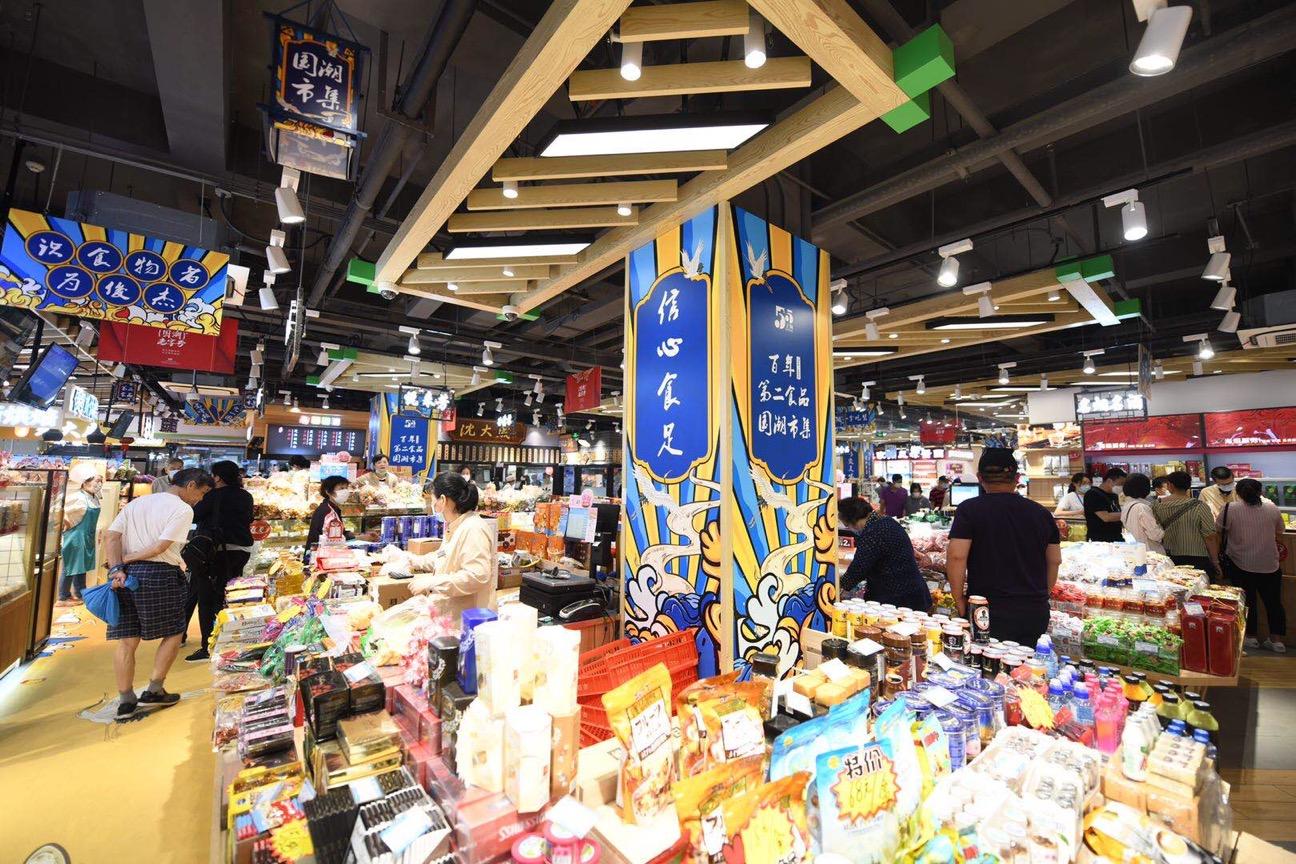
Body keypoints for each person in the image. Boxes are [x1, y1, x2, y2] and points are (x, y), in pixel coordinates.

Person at [103, 468, 213, 721]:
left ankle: (126, 699)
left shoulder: (138, 503)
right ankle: (154, 689)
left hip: (125, 576)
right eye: (202, 493)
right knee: (174, 631)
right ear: (191, 485)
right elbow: (160, 547)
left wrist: (117, 567)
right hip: (159, 573)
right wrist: (126, 559)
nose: (201, 499)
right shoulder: (183, 509)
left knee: (127, 639)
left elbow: (111, 536)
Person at [946, 449, 1061, 644]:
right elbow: (1055, 560)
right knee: (1027, 661)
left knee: (985, 659)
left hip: (986, 608)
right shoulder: (1042, 513)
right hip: (1034, 611)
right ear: (1017, 478)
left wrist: (958, 599)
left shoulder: (969, 510)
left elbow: (957, 556)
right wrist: (1041, 597)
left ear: (980, 478)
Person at [390, 471, 496, 621]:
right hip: (449, 615)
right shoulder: (456, 525)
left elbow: (476, 576)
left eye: (433, 500)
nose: (432, 505)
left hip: (467, 619)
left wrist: (432, 582)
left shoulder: (473, 528)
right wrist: (411, 559)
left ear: (443, 500)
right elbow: (443, 556)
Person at [184, 461, 255, 662]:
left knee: (207, 598)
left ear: (217, 477)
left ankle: (208, 646)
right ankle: (230, 639)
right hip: (241, 551)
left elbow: (194, 517)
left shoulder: (212, 496)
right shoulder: (245, 495)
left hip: (215, 552)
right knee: (230, 595)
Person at [1216, 478, 1286, 653]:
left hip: (1240, 562)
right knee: (1274, 602)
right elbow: (1280, 530)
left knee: (1247, 602)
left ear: (1238, 493)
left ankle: (1251, 637)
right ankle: (1277, 641)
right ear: (1260, 492)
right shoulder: (1272, 508)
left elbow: (1219, 529)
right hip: (1269, 563)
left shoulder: (1230, 508)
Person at [838, 497, 931, 611]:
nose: (850, 529)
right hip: (913, 593)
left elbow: (859, 568)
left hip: (896, 600)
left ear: (852, 520)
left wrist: (840, 585)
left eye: (848, 525)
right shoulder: (887, 521)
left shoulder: (873, 532)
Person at [1152, 471, 1220, 578]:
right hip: (1197, 557)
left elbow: (1155, 529)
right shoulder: (1200, 506)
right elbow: (1210, 536)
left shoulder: (1156, 505)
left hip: (1169, 557)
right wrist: (1215, 560)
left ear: (1170, 485)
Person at [58, 467, 104, 605]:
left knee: (81, 566)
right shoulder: (78, 497)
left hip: (87, 536)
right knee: (70, 567)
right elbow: (62, 512)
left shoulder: (94, 497)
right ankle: (63, 597)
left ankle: (80, 593)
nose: (99, 484)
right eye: (96, 481)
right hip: (76, 536)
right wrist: (66, 525)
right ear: (85, 482)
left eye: (100, 481)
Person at [306, 475, 354, 553]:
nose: (345, 492)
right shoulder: (327, 511)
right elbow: (333, 539)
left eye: (346, 488)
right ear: (328, 491)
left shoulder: (331, 508)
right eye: (341, 488)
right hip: (320, 555)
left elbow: (338, 533)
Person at [1119, 474, 1164, 553]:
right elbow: (1155, 535)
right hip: (1149, 552)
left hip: (1134, 550)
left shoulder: (1126, 506)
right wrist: (1162, 530)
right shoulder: (1142, 507)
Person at [1084, 468, 1127, 542]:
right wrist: (1129, 513)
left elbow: (1116, 513)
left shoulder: (1114, 495)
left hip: (1116, 537)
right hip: (1100, 540)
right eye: (1121, 484)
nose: (1122, 487)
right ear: (1109, 481)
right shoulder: (1093, 494)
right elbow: (1106, 517)